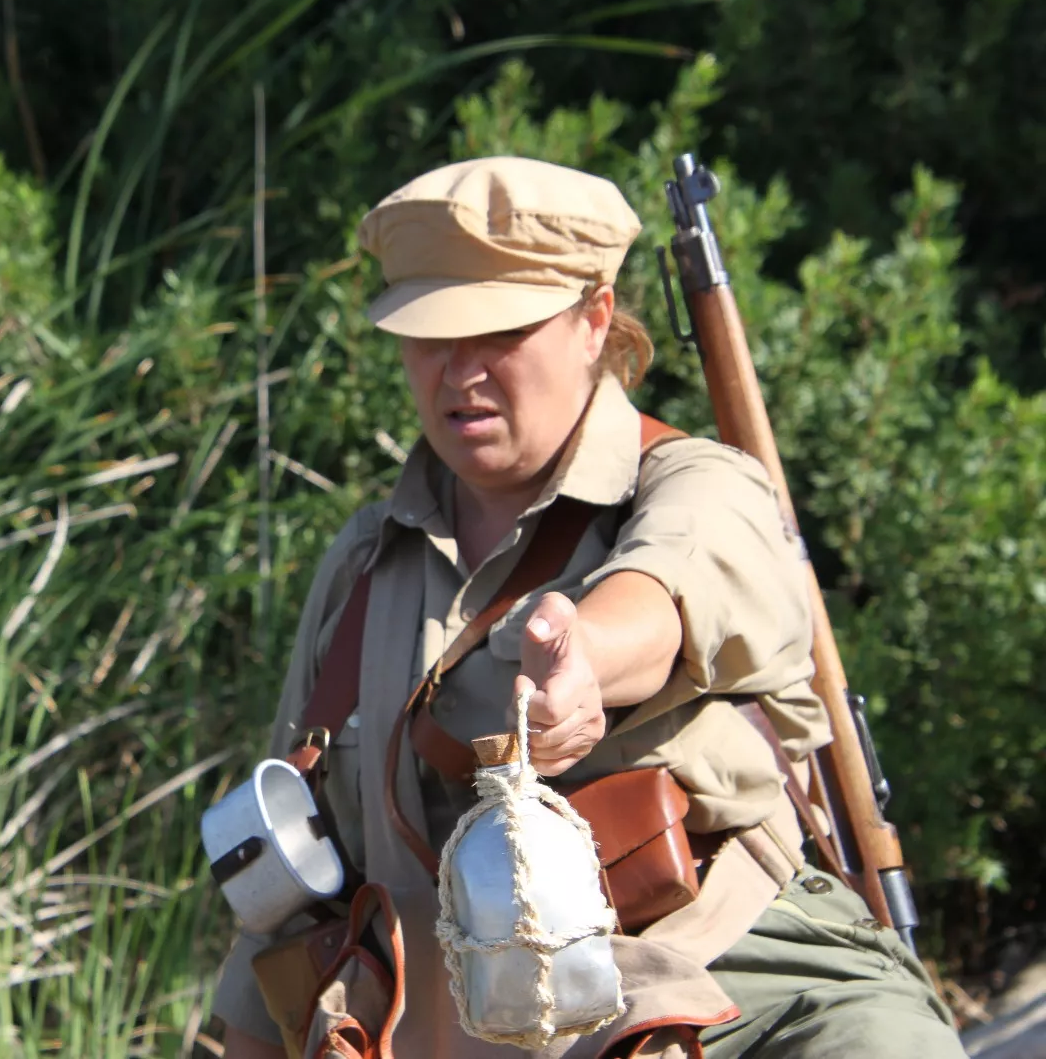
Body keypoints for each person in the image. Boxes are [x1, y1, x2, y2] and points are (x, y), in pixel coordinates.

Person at [212, 158, 965, 1058]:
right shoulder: (363, 565)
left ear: (592, 317)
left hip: (728, 995)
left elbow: (664, 594)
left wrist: (585, 660)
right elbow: (288, 879)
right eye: (428, 334)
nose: (460, 371)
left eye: (500, 329)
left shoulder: (697, 484)